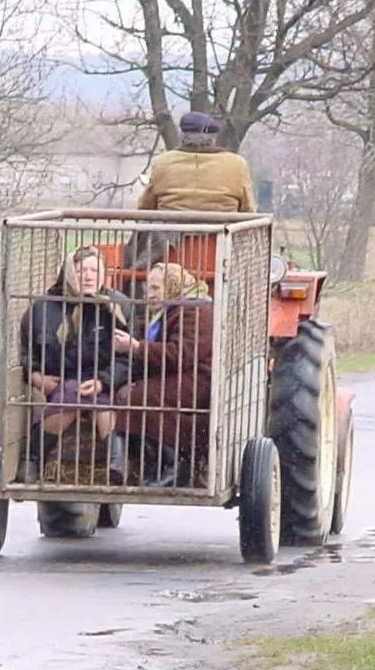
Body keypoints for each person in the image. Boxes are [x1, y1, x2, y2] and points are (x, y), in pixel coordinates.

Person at [19, 246, 130, 481]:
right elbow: (27, 353)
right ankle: (33, 458)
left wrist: (103, 381)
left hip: (103, 379)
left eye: (94, 270)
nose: (88, 276)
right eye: (80, 271)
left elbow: (128, 357)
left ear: (104, 275)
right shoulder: (43, 308)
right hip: (62, 379)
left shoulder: (117, 306)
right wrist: (37, 378)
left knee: (103, 404)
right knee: (70, 396)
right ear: (68, 273)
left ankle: (116, 465)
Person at [112, 262, 213, 487]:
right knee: (125, 393)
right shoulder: (171, 310)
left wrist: (136, 347)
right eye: (147, 287)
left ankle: (176, 463)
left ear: (173, 286)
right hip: (175, 375)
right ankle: (141, 462)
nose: (149, 294)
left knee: (141, 397)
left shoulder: (196, 311)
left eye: (156, 288)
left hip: (196, 378)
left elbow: (181, 354)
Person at [126, 111, 257, 270]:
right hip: (222, 246)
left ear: (183, 135)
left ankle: (130, 280)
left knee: (137, 247)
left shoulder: (162, 162)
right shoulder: (237, 164)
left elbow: (145, 207)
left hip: (166, 248)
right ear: (212, 137)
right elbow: (248, 209)